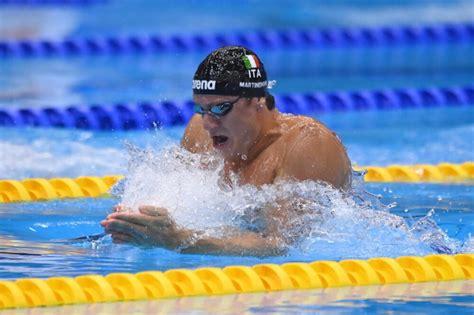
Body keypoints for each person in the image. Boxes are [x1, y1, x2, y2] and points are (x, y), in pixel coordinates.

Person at [101, 46, 351, 256]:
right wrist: (140, 222)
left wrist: (177, 239)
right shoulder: (200, 131)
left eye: (220, 109)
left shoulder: (306, 145)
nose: (208, 123)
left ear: (257, 101)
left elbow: (280, 245)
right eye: (201, 109)